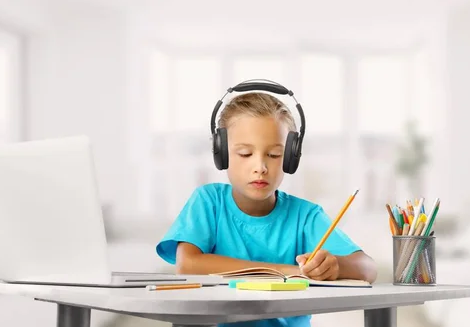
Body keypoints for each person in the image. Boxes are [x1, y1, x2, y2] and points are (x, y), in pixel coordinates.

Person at [156, 82, 377, 327]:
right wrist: (284, 271)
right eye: (245, 154)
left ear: (291, 157)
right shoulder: (209, 202)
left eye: (273, 155)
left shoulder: (305, 215)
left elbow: (368, 268)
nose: (260, 167)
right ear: (221, 153)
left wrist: (336, 266)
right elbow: (187, 265)